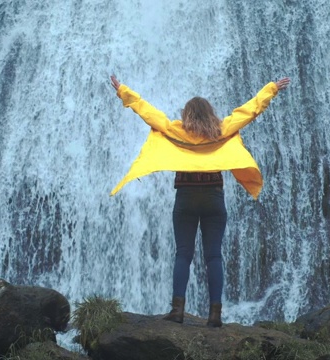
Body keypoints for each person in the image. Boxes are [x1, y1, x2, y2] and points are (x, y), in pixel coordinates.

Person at [109, 75, 290, 327]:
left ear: (187, 115)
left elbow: (148, 112)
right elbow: (250, 111)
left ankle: (177, 310)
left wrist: (123, 91)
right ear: (210, 114)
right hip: (213, 198)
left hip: (186, 199)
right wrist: (271, 89)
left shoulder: (175, 129)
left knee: (183, 254)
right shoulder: (222, 129)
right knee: (214, 256)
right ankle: (215, 315)